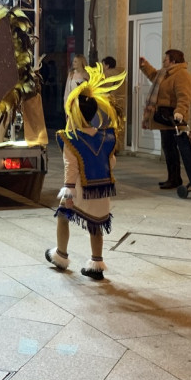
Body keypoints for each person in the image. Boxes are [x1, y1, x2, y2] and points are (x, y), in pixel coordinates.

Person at [46, 63, 126, 281]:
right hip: (101, 191)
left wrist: (68, 191)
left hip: (79, 190)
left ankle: (60, 256)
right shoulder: (106, 136)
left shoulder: (70, 138)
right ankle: (96, 262)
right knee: (96, 225)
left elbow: (70, 167)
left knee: (63, 216)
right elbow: (112, 163)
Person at [139, 49, 191, 189]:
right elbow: (153, 76)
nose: (163, 61)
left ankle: (175, 179)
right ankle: (173, 178)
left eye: (166, 59)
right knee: (168, 149)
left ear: (173, 61)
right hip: (164, 119)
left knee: (171, 150)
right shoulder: (165, 73)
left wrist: (179, 112)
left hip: (172, 118)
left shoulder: (181, 75)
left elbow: (184, 96)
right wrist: (145, 65)